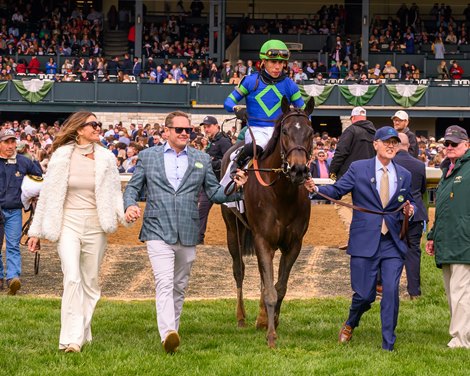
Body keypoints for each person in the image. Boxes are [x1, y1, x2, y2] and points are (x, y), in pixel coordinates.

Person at [123, 111, 247, 354]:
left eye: (187, 130)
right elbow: (133, 188)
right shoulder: (148, 156)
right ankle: (167, 332)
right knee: (164, 281)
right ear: (166, 131)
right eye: (179, 129)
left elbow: (215, 193)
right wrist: (129, 205)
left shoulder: (201, 158)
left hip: (189, 231)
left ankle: (173, 333)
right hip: (157, 229)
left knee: (179, 285)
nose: (184, 134)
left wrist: (236, 187)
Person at [305, 126, 415, 351]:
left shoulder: (405, 174)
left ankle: (388, 345)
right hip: (364, 240)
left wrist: (411, 210)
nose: (391, 146)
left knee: (392, 292)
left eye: (394, 142)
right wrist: (315, 188)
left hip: (392, 242)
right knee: (364, 296)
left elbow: (410, 201)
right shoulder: (358, 168)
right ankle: (351, 322)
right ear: (375, 144)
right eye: (386, 142)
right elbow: (337, 191)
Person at [27, 112, 126, 353]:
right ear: (79, 129)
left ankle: (82, 331)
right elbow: (48, 195)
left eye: (99, 124)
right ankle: (71, 340)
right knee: (72, 278)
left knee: (90, 283)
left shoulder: (106, 158)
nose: (98, 128)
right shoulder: (61, 156)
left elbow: (114, 194)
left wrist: (125, 215)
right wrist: (35, 232)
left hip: (96, 225)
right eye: (93, 124)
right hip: (68, 223)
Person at [224, 39, 304, 176]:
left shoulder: (290, 85)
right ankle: (237, 166)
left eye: (281, 62)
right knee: (260, 144)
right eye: (273, 62)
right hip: (257, 130)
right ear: (264, 62)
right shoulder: (250, 81)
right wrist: (238, 110)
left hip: (280, 131)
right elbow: (228, 102)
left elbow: (303, 111)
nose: (278, 66)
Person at [426, 125, 470, 348]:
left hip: (464, 241)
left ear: (467, 145)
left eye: (455, 144)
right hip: (448, 239)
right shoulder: (448, 171)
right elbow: (443, 207)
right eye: (447, 144)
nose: (450, 147)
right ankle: (462, 333)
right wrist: (433, 236)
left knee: (461, 291)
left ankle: (461, 338)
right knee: (454, 291)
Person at [0, 129, 42, 295]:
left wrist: (32, 193)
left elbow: (38, 177)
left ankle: (13, 278)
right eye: (6, 142)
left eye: (12, 142)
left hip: (14, 211)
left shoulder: (24, 162)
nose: (11, 146)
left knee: (13, 246)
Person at [394, 133, 427, 299]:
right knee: (413, 251)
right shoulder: (419, 165)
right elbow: (421, 190)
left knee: (389, 250)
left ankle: (382, 286)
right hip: (416, 212)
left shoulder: (390, 163)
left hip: (394, 213)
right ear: (408, 146)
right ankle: (414, 292)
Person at [197, 115, 232, 244]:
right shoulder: (212, 141)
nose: (206, 129)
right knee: (201, 211)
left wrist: (213, 163)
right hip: (210, 184)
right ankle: (198, 239)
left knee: (230, 214)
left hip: (222, 184)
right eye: (205, 127)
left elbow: (230, 161)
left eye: (209, 126)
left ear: (216, 126)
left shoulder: (223, 141)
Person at [329, 107, 376, 180]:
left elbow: (341, 152)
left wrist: (332, 170)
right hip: (369, 176)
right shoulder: (374, 133)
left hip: (350, 176)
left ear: (353, 118)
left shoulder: (351, 130)